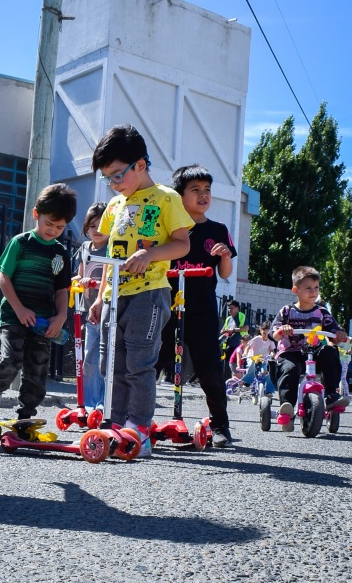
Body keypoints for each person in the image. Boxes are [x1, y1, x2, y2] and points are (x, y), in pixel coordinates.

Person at [88, 125, 193, 459]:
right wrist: (100, 294)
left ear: (141, 165)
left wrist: (149, 254)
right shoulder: (115, 206)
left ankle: (139, 428)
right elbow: (110, 255)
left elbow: (182, 244)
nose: (114, 184)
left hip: (148, 294)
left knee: (138, 363)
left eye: (118, 175)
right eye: (108, 178)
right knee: (111, 364)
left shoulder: (166, 198)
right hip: (112, 297)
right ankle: (115, 426)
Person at [0, 183, 77, 420]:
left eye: (60, 227)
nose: (53, 230)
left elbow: (62, 289)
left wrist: (61, 316)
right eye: (49, 223)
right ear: (36, 214)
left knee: (38, 366)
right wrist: (19, 308)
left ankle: (26, 412)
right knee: (11, 359)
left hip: (44, 321)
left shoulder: (61, 253)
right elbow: (3, 277)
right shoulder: (20, 242)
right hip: (14, 316)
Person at [169, 164, 237, 448]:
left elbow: (225, 274)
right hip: (168, 307)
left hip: (204, 309)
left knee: (210, 369)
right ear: (179, 195)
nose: (202, 195)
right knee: (155, 363)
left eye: (207, 190)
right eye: (194, 190)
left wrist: (223, 257)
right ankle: (141, 421)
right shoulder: (170, 228)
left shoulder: (218, 229)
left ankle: (220, 426)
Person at [271, 266, 348, 431]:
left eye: (316, 288)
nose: (314, 292)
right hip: (291, 352)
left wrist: (339, 335)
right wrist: (281, 330)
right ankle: (287, 406)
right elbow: (273, 334)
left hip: (314, 352)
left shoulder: (322, 313)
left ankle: (331, 396)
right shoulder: (287, 311)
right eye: (308, 288)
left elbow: (334, 332)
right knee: (289, 368)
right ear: (295, 290)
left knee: (330, 352)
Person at [73, 202, 108, 411]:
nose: (97, 230)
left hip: (107, 311)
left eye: (102, 225)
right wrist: (75, 281)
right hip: (89, 312)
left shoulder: (112, 247)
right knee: (88, 359)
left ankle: (103, 403)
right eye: (92, 226)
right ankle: (89, 402)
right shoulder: (85, 248)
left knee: (105, 359)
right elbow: (81, 273)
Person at [241, 322, 276, 394]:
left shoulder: (270, 341)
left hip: (263, 360)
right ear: (260, 331)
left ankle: (269, 391)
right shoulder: (256, 339)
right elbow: (248, 347)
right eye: (264, 333)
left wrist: (272, 355)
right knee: (252, 367)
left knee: (265, 373)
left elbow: (272, 350)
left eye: (268, 333)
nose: (266, 336)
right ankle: (247, 382)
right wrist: (245, 353)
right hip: (253, 358)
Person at [221, 300, 249, 378]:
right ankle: (232, 382)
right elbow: (223, 330)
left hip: (239, 344)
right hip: (229, 345)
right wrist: (223, 331)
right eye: (229, 308)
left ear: (237, 308)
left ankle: (239, 381)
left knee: (238, 364)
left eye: (232, 308)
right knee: (231, 365)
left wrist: (233, 330)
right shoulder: (228, 319)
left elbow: (246, 327)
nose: (230, 310)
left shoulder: (241, 316)